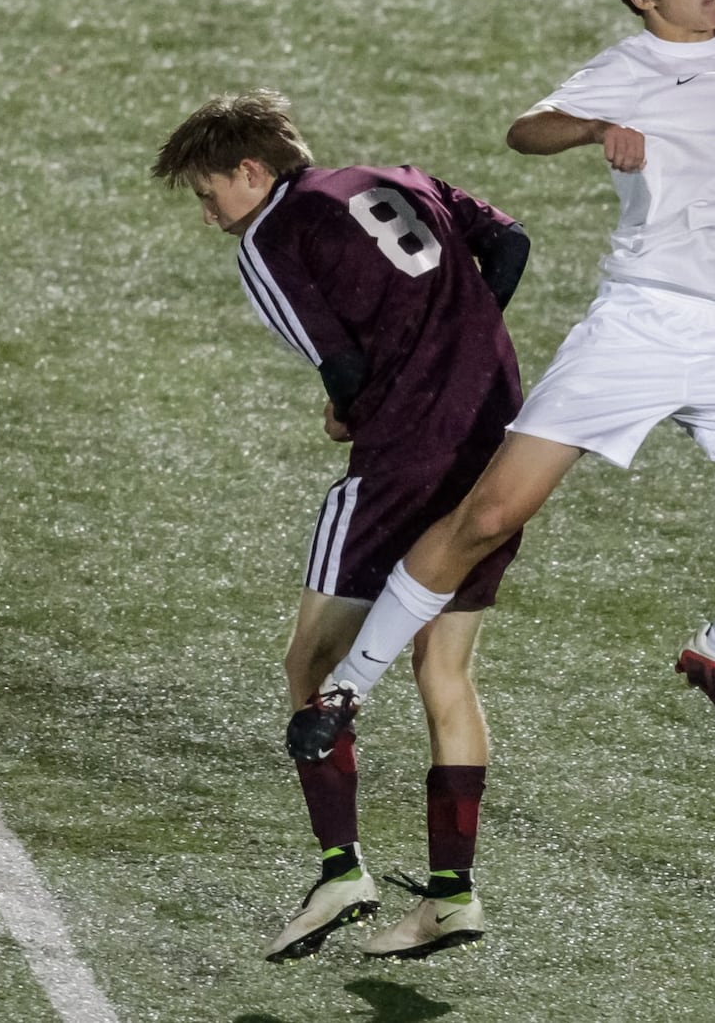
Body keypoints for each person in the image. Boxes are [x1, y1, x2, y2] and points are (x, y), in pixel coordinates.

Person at [287, 0, 715, 769]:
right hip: (640, 325)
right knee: (490, 513)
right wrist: (599, 123)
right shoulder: (633, 65)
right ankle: (353, 686)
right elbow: (523, 131)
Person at [152, 90, 531, 961]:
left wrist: (349, 407)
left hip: (405, 455)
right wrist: (459, 346)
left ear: (253, 171)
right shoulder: (396, 176)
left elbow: (347, 365)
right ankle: (451, 896)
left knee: (309, 664)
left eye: (211, 195)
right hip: (497, 437)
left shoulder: (271, 238)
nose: (211, 216)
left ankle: (341, 868)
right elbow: (509, 244)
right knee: (446, 667)